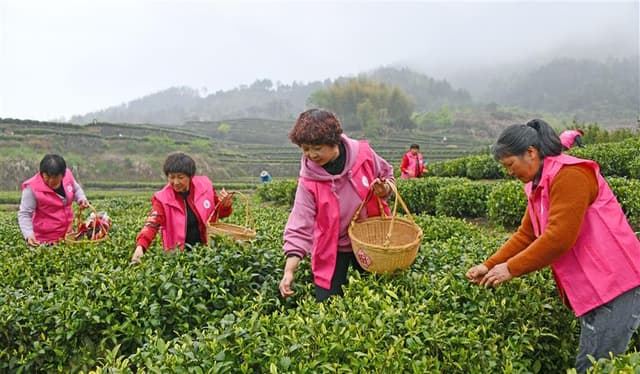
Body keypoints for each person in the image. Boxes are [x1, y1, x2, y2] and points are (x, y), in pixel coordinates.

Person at [465, 119, 640, 373]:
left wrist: (510, 269)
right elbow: (526, 235)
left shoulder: (570, 175)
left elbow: (559, 237)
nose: (509, 173)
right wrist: (488, 265)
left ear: (531, 153)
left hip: (615, 283)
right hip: (595, 287)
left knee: (595, 368)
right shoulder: (538, 184)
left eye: (510, 165)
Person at [279, 108, 395, 302]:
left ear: (334, 142)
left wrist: (384, 190)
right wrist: (289, 270)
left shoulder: (364, 155)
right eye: (305, 149)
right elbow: (300, 223)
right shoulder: (309, 181)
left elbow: (387, 175)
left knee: (380, 296)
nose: (311, 155)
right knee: (327, 302)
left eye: (317, 148)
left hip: (370, 241)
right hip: (332, 247)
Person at [130, 152, 232, 263]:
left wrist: (225, 205)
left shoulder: (205, 186)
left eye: (180, 177)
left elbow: (219, 213)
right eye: (171, 177)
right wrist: (141, 247)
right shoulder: (162, 199)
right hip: (179, 258)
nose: (176, 182)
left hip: (208, 253)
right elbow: (152, 224)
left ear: (190, 176)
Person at [18, 154, 90, 246]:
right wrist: (28, 234)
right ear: (41, 173)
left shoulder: (68, 176)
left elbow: (76, 189)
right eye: (47, 177)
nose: (51, 181)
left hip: (68, 235)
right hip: (45, 240)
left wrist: (81, 199)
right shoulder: (32, 188)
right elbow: (25, 213)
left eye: (55, 177)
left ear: (62, 175)